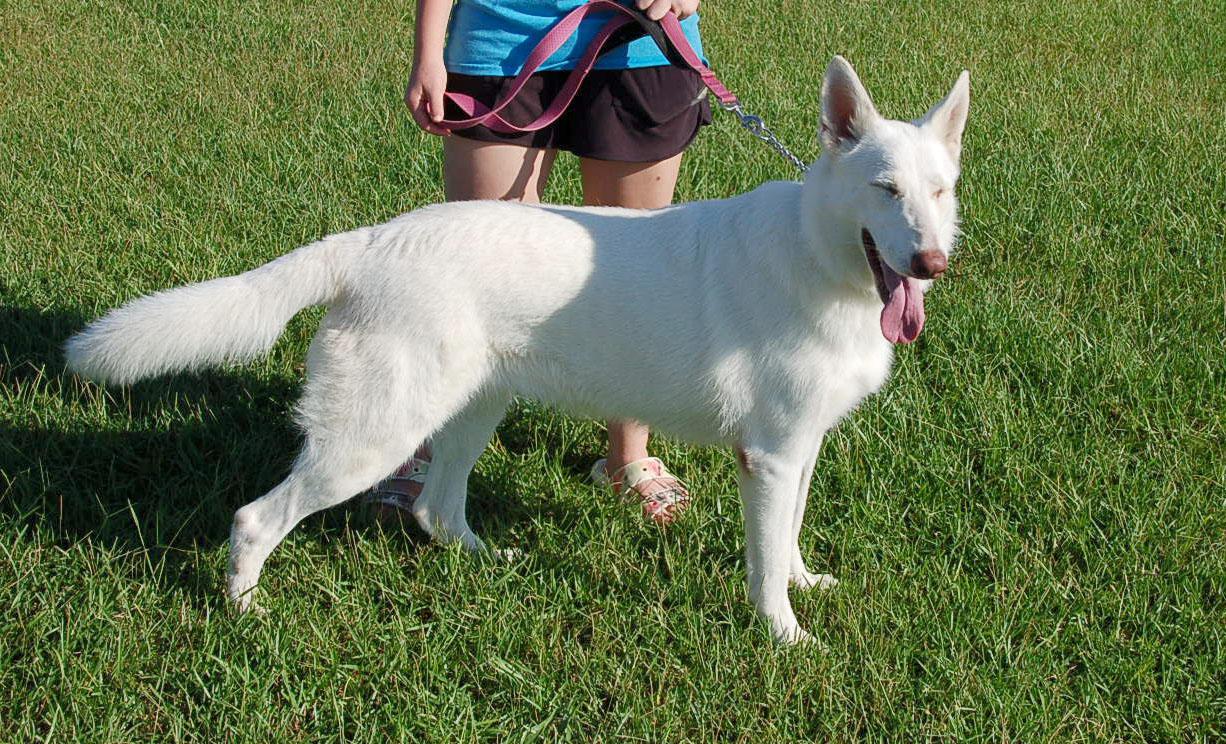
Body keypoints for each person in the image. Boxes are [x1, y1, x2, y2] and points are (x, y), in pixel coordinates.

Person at [370, 0, 710, 525]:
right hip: (503, 33)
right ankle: (430, 450)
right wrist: (427, 50)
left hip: (641, 39)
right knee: (481, 274)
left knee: (635, 278)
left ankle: (628, 457)